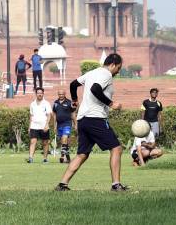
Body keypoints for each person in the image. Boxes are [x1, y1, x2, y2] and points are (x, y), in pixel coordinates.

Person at [55, 53, 127, 192]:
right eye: (118, 68)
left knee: (82, 154)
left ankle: (62, 184)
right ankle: (116, 185)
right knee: (116, 148)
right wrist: (111, 103)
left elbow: (73, 84)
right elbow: (95, 89)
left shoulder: (91, 72)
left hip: (83, 119)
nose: (118, 71)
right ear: (112, 64)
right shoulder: (106, 74)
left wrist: (75, 100)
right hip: (96, 118)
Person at [27, 87, 52, 163]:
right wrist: (29, 127)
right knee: (33, 141)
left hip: (44, 126)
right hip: (34, 125)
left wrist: (47, 125)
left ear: (43, 94)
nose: (40, 94)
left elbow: (49, 115)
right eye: (38, 93)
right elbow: (31, 116)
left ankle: (45, 158)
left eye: (41, 93)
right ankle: (30, 158)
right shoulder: (32, 104)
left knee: (45, 143)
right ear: (36, 94)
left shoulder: (46, 103)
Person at [53, 89, 77, 164]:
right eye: (59, 94)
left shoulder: (69, 102)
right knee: (64, 142)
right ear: (58, 94)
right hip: (59, 124)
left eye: (62, 94)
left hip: (67, 123)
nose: (61, 96)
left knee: (64, 138)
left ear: (65, 94)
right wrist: (54, 125)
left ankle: (62, 156)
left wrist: (75, 124)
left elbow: (73, 114)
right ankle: (68, 158)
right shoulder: (55, 103)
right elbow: (54, 114)